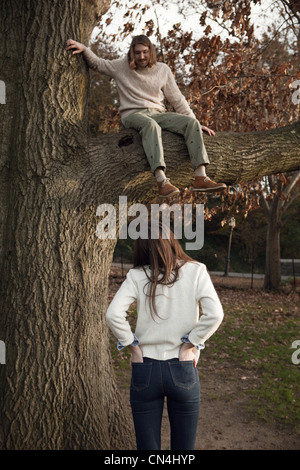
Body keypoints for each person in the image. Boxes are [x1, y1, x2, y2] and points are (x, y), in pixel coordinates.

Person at [105, 221, 224, 450]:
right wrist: (191, 344)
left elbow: (113, 315)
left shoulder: (137, 275)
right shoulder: (196, 270)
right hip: (183, 367)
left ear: (141, 247)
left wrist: (133, 347)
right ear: (171, 241)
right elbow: (215, 314)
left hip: (145, 368)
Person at [66, 35, 227, 198]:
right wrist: (85, 49)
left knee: (191, 123)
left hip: (158, 113)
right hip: (133, 114)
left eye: (144, 52)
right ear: (132, 53)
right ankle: (161, 180)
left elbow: (177, 99)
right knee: (151, 125)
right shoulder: (121, 66)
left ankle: (201, 177)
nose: (141, 56)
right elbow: (98, 64)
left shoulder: (162, 70)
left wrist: (197, 123)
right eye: (137, 53)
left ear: (151, 51)